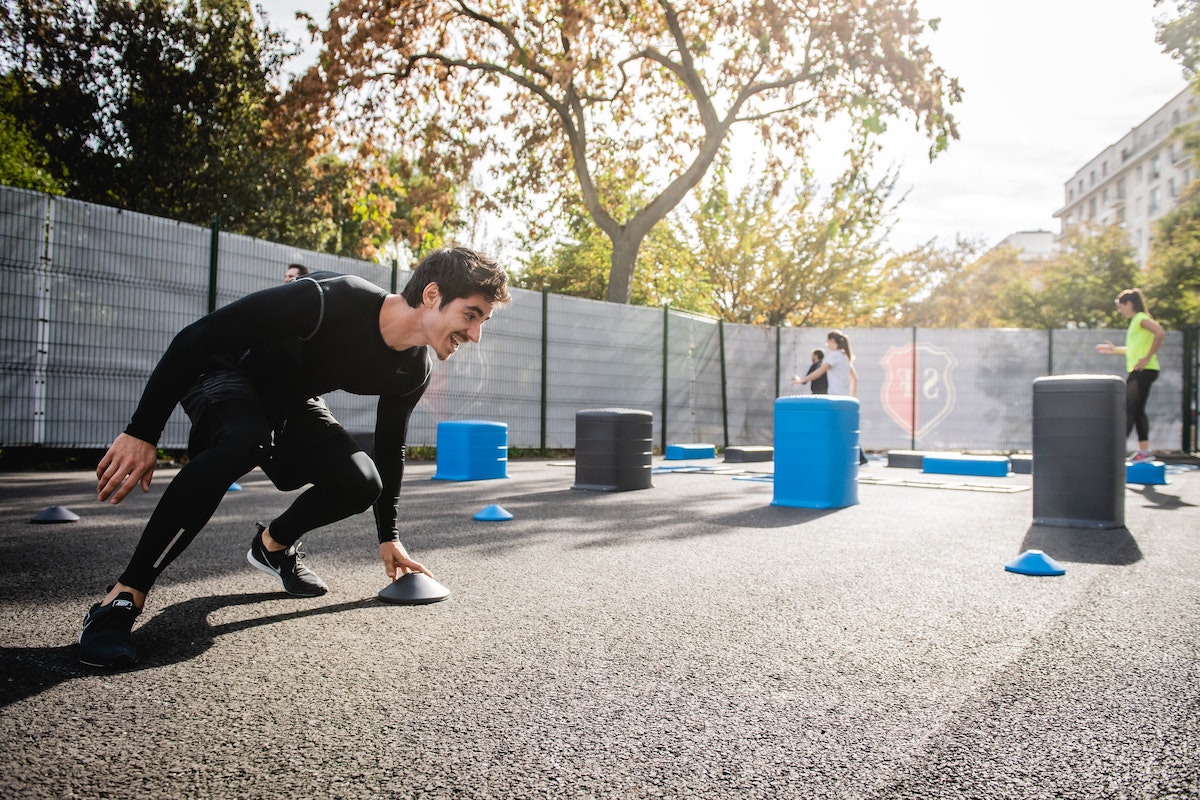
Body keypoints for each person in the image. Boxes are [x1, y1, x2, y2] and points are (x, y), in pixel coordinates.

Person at [79, 247, 511, 668]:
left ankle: (272, 547)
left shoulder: (413, 370)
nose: (475, 335)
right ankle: (122, 597)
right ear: (432, 295)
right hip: (225, 371)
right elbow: (197, 337)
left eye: (483, 322)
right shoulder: (327, 299)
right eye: (471, 315)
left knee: (362, 480)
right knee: (240, 441)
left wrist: (389, 535)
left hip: (289, 397)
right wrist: (142, 432)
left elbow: (389, 449)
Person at [1095, 288, 1166, 462]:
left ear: (1130, 304)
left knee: (1128, 408)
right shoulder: (1136, 321)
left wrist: (1146, 358)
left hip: (1143, 371)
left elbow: (1160, 332)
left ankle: (1118, 449)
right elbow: (1134, 350)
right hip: (1143, 370)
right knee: (1136, 409)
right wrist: (1115, 350)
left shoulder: (1141, 318)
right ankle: (1144, 451)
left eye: (1121, 306)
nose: (1120, 311)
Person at [795, 330, 868, 464]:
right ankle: (859, 457)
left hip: (835, 399)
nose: (827, 344)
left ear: (832, 341)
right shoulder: (845, 356)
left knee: (831, 427)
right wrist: (851, 396)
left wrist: (801, 380)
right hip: (844, 398)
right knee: (844, 428)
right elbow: (854, 378)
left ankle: (858, 457)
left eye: (827, 342)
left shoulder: (834, 355)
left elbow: (819, 372)